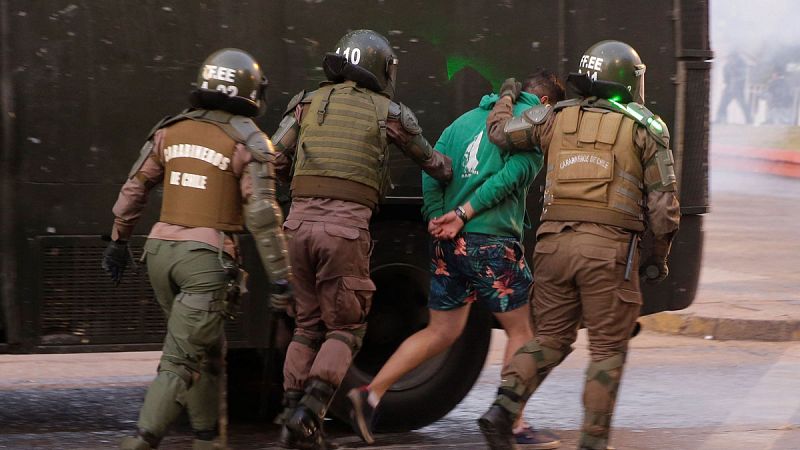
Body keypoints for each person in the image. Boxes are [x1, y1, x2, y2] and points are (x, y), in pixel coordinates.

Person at [477, 40, 681, 450]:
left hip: (552, 249)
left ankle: (502, 410)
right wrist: (657, 259)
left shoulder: (553, 115)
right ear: (627, 81)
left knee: (549, 339)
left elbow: (499, 135)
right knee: (607, 351)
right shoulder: (645, 126)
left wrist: (505, 98)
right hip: (607, 254)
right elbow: (664, 209)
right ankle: (592, 443)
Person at [346, 70, 565, 449]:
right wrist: (464, 213)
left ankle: (370, 394)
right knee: (522, 332)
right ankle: (511, 421)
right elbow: (508, 180)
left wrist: (436, 214)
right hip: (492, 241)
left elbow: (434, 167)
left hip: (450, 242)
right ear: (545, 104)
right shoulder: (529, 134)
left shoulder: (463, 121)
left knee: (441, 332)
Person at [269, 29, 452, 450]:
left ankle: (292, 414)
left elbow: (273, 157)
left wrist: (299, 182)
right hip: (344, 231)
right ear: (380, 68)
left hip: (296, 228)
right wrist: (451, 171)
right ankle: (310, 413)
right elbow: (431, 161)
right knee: (346, 328)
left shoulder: (308, 103)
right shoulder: (388, 111)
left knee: (305, 327)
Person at [102, 48, 292, 450]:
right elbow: (261, 215)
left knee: (207, 352)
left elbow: (134, 188)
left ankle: (208, 439)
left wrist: (118, 241)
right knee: (182, 360)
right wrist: (280, 278)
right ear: (250, 91)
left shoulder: (171, 130)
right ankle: (141, 440)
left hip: (159, 255)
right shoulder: (249, 139)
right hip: (204, 262)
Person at [715, 52, 752, 124]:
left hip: (738, 88)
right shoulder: (728, 65)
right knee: (723, 104)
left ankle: (749, 119)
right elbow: (726, 77)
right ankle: (720, 119)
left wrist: (734, 71)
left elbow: (743, 75)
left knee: (743, 105)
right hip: (729, 87)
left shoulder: (742, 63)